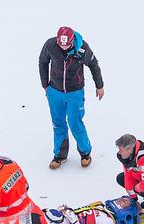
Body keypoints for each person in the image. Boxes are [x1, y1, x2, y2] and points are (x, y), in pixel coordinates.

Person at [39, 26, 104, 169]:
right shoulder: (50, 45)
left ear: (71, 41)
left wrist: (99, 86)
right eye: (60, 44)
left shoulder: (82, 49)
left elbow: (93, 65)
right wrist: (45, 85)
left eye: (66, 45)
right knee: (58, 123)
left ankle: (85, 153)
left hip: (75, 92)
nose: (63, 48)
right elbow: (43, 61)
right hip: (54, 91)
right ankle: (60, 155)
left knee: (75, 123)